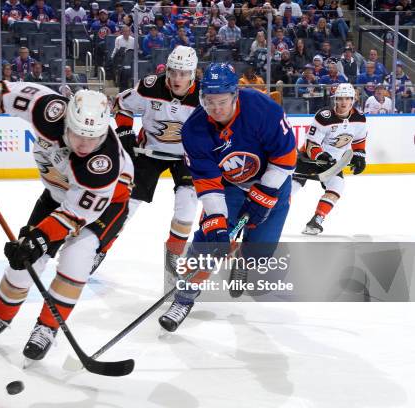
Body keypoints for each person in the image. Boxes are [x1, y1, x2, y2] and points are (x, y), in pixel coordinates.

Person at [0, 85, 133, 361]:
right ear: (66, 120)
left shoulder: (104, 164)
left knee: (76, 259)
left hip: (105, 207)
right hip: (57, 194)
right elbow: (4, 95)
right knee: (22, 266)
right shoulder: (48, 110)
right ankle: (0, 317)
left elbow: (75, 215)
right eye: (78, 133)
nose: (84, 145)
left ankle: (47, 327)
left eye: (93, 137)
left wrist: (40, 238)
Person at [158, 63, 296, 331]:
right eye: (210, 102)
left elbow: (285, 157)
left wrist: (263, 195)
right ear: (202, 99)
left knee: (261, 253)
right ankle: (184, 297)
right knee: (208, 241)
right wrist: (218, 223)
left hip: (273, 182)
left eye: (222, 101)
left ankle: (244, 258)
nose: (217, 108)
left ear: (235, 95)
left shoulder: (261, 108)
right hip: (230, 187)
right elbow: (207, 183)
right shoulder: (194, 130)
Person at [113, 46, 201, 274]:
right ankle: (101, 246)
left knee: (188, 200)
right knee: (128, 203)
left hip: (185, 154)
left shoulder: (203, 96)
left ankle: (174, 251)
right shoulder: (149, 86)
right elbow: (122, 104)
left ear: (192, 73)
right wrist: (124, 133)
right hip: (149, 150)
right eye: (173, 71)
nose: (176, 78)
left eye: (183, 73)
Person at [291, 83, 367, 235]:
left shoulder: (360, 119)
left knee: (337, 186)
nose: (343, 102)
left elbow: (359, 141)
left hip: (333, 164)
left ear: (353, 99)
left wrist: (360, 156)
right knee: (291, 188)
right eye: (340, 98)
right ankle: (269, 213)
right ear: (335, 99)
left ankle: (317, 220)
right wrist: (322, 156)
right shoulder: (324, 116)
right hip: (309, 159)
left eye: (347, 98)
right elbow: (311, 144)